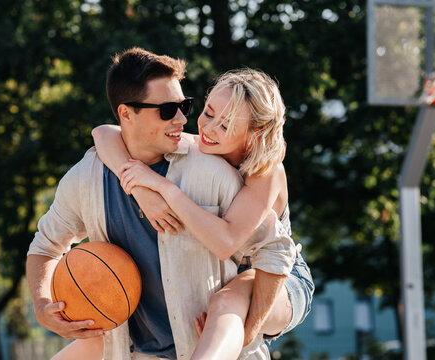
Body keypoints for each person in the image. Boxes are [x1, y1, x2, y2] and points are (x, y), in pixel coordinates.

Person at [27, 47, 297, 360]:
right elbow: (45, 246)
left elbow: (274, 251)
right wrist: (43, 305)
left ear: (253, 134)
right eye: (168, 110)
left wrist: (249, 333)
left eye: (184, 105)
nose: (187, 120)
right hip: (128, 347)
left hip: (270, 285)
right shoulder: (87, 177)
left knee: (227, 304)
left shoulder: (232, 174)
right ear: (126, 114)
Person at [90, 68, 314, 359]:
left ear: (254, 133)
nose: (208, 129)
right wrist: (141, 192)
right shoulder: (205, 145)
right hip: (228, 274)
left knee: (225, 303)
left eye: (225, 125)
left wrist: (163, 188)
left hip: (278, 278)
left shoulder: (266, 171)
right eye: (208, 113)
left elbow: (226, 243)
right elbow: (103, 133)